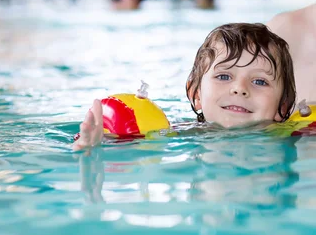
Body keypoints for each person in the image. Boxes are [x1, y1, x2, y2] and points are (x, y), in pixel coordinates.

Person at [72, 23, 297, 151]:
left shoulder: (293, 136)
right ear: (196, 94)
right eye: (224, 76)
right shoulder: (182, 133)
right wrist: (96, 143)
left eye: (259, 81)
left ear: (282, 105)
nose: (239, 88)